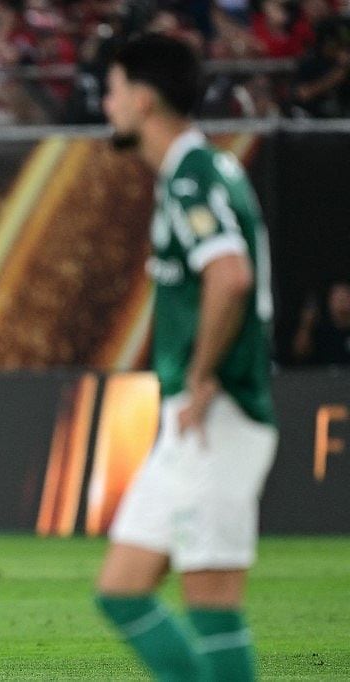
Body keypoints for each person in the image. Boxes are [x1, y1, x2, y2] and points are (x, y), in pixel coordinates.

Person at [96, 35, 277, 681]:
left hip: (219, 415)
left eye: (113, 89)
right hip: (194, 422)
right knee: (120, 590)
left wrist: (201, 376)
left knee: (212, 605)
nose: (107, 102)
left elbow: (229, 277)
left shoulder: (195, 174)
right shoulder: (196, 172)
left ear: (144, 99)